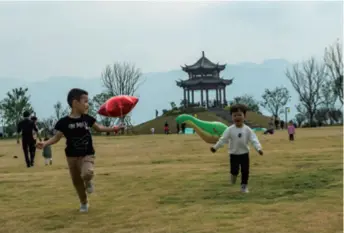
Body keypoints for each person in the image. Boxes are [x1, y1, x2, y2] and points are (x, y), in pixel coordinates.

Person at [36, 88, 121, 213]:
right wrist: (45, 143)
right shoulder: (64, 122)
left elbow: (99, 128)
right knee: (77, 182)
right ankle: (84, 202)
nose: (87, 104)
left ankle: (88, 181)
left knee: (87, 173)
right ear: (75, 103)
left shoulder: (87, 119)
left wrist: (114, 129)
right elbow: (57, 137)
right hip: (71, 157)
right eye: (85, 101)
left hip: (87, 154)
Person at [210, 104, 263, 193]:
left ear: (244, 116)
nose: (237, 117)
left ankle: (244, 186)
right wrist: (215, 147)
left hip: (244, 154)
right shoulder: (229, 130)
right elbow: (223, 139)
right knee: (234, 170)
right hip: (233, 154)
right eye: (234, 115)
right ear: (232, 117)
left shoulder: (248, 130)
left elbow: (254, 140)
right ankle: (233, 176)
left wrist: (259, 148)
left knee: (245, 171)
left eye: (239, 115)